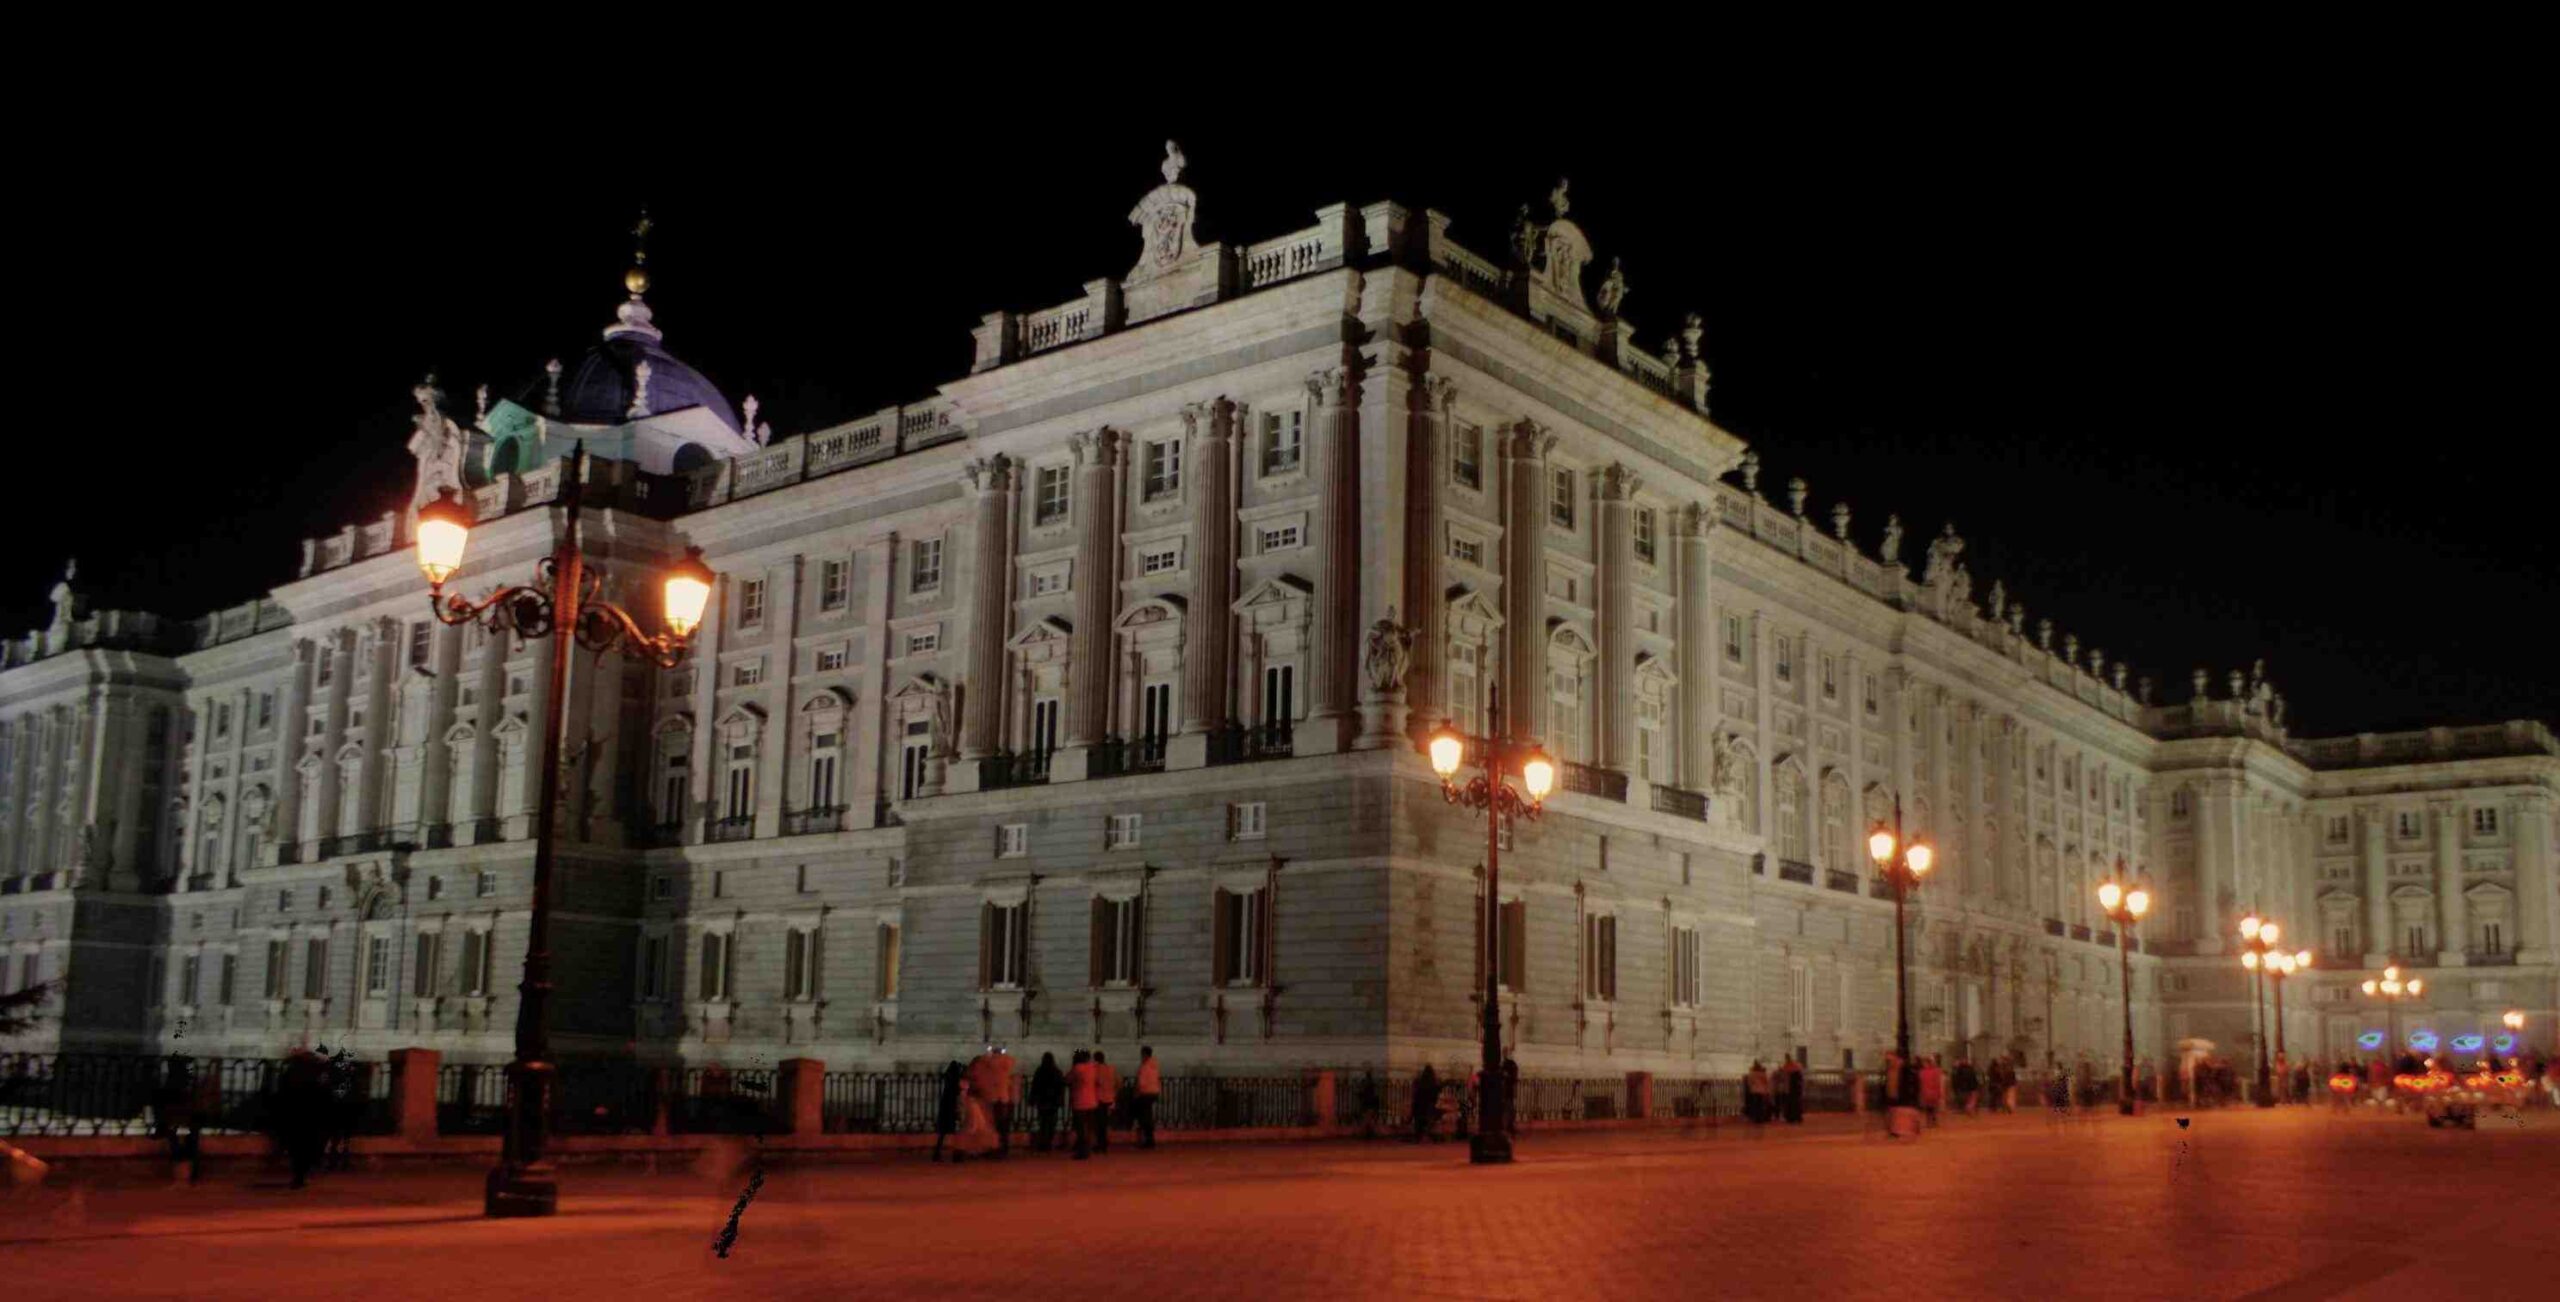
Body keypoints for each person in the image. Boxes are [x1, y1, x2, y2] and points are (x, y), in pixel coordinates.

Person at [275, 1046, 331, 1189]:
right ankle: (303, 1173)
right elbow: (325, 1094)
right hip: (311, 1117)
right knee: (308, 1147)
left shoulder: (292, 1072)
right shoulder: (317, 1074)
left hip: (296, 1116)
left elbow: (282, 1094)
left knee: (297, 1148)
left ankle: (299, 1174)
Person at [949, 1078, 999, 1163]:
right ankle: (963, 1152)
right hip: (971, 1116)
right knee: (969, 1132)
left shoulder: (968, 1099)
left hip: (971, 1116)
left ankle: (966, 1152)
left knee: (970, 1132)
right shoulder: (967, 1098)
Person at [1029, 1052, 1066, 1152]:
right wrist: (1060, 1100)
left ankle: (1043, 1143)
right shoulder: (1057, 1072)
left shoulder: (1040, 1071)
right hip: (1053, 1101)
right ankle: (1048, 1142)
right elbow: (1060, 1088)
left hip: (1042, 1100)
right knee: (1051, 1123)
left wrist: (1032, 1099)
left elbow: (1035, 1086)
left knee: (1043, 1122)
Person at [932, 1060, 965, 1162]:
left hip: (945, 1108)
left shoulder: (948, 1079)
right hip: (953, 1108)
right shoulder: (956, 1082)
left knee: (943, 1133)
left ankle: (937, 1152)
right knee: (956, 1132)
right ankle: (956, 1154)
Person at [1068, 1050, 1098, 1160]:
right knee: (1089, 1128)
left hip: (1080, 1102)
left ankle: (1082, 1151)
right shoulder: (1093, 1067)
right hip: (1092, 1101)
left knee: (1080, 1129)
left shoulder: (1077, 1068)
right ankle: (1088, 1149)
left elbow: (1068, 1079)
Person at [1133, 1046, 1162, 1149]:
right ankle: (1150, 1139)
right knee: (1148, 1117)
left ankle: (1148, 1140)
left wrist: (1136, 1093)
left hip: (1145, 1093)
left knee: (1144, 1118)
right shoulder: (1154, 1065)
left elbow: (1141, 1082)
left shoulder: (1144, 1066)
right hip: (1154, 1092)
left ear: (1144, 1054)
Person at [1092, 1051, 1120, 1154]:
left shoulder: (1095, 1069)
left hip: (1099, 1099)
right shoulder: (1111, 1069)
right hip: (1110, 1099)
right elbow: (1119, 1082)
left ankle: (1100, 1144)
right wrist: (1114, 1092)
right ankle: (1103, 1144)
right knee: (1104, 1123)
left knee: (1098, 1123)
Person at [1409, 1065, 1440, 1142]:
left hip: (1419, 1107)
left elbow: (1416, 1095)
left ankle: (1418, 1135)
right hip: (1429, 1108)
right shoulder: (1434, 1083)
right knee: (1433, 1115)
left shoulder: (1420, 1082)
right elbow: (1435, 1097)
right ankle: (1428, 1133)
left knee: (1418, 1117)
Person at [1778, 1056, 1806, 1125]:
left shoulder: (1788, 1068)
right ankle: (1797, 1117)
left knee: (1791, 1103)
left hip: (1791, 1090)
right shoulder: (1797, 1068)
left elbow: (1783, 1076)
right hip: (1796, 1090)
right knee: (1796, 1103)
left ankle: (1791, 1117)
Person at [1918, 1056, 1945, 1127]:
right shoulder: (1933, 1071)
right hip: (1928, 1092)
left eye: (1925, 1063)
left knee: (1931, 1108)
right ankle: (1932, 1121)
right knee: (1930, 1108)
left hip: (1930, 1092)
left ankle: (1931, 1121)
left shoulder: (1923, 1072)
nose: (1923, 1064)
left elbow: (1937, 1082)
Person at [1743, 1061, 1772, 1125]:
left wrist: (1751, 1088)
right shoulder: (1762, 1074)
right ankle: (1761, 1118)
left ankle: (1756, 1118)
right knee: (1761, 1105)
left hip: (1754, 1091)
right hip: (1761, 1091)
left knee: (1755, 1105)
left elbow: (1749, 1082)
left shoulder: (1752, 1074)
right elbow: (1766, 1082)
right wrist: (1766, 1089)